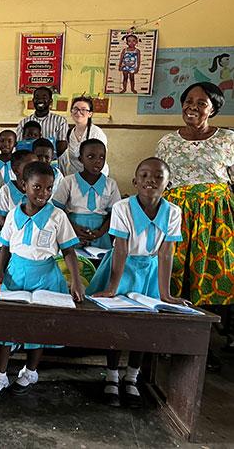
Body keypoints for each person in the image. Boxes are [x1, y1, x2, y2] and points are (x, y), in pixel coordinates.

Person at [0, 161, 84, 404]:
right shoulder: (13, 215)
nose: (44, 194)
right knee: (6, 325)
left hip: (46, 276)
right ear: (23, 186)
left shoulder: (58, 216)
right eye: (37, 187)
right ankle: (0, 375)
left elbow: (69, 251)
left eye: (49, 188)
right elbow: (4, 247)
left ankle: (30, 372)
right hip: (16, 274)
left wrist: (76, 282)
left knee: (38, 327)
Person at [86, 157, 185, 407]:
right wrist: (111, 288)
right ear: (135, 181)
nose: (150, 180)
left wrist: (166, 294)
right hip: (123, 267)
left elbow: (166, 253)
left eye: (158, 176)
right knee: (117, 323)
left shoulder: (174, 212)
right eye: (144, 175)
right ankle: (111, 375)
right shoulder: (123, 208)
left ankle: (132, 376)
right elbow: (120, 249)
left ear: (168, 184)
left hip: (151, 270)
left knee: (145, 327)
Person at [155, 82, 234, 316]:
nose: (193, 107)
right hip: (177, 215)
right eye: (188, 101)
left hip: (217, 217)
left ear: (213, 109)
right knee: (176, 272)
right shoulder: (167, 142)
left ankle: (207, 342)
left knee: (214, 270)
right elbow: (159, 182)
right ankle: (174, 335)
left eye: (202, 103)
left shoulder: (228, 140)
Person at [53, 139, 120, 249]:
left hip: (100, 233)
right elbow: (57, 209)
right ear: (80, 159)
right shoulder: (69, 181)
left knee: (100, 262)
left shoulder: (110, 184)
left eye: (102, 157)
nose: (97, 161)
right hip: (72, 230)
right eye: (90, 157)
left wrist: (100, 232)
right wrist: (73, 227)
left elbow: (114, 214)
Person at [59, 96, 109, 176]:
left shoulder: (96, 133)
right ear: (71, 112)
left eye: (83, 109)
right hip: (75, 177)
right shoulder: (69, 133)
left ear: (90, 114)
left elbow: (100, 159)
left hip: (95, 177)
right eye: (75, 109)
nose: (78, 112)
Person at [16, 87, 69, 157]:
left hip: (53, 162)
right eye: (37, 97)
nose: (40, 100)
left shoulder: (60, 121)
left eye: (44, 97)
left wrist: (48, 158)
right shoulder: (23, 123)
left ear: (50, 101)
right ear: (33, 100)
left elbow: (63, 145)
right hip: (30, 163)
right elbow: (20, 146)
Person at [0, 150, 38, 225]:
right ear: (16, 170)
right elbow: (1, 217)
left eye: (36, 166)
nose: (35, 169)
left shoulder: (38, 189)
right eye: (30, 166)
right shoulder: (6, 190)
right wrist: (13, 233)